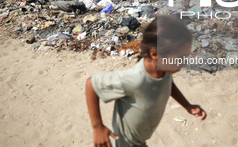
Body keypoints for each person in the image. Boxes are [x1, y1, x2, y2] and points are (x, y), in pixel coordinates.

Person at [86, 15, 206, 147]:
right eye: (180, 58)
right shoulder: (134, 79)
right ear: (155, 54)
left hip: (139, 143)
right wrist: (97, 127)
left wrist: (187, 105)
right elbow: (91, 84)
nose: (184, 63)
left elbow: (167, 84)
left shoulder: (163, 70)